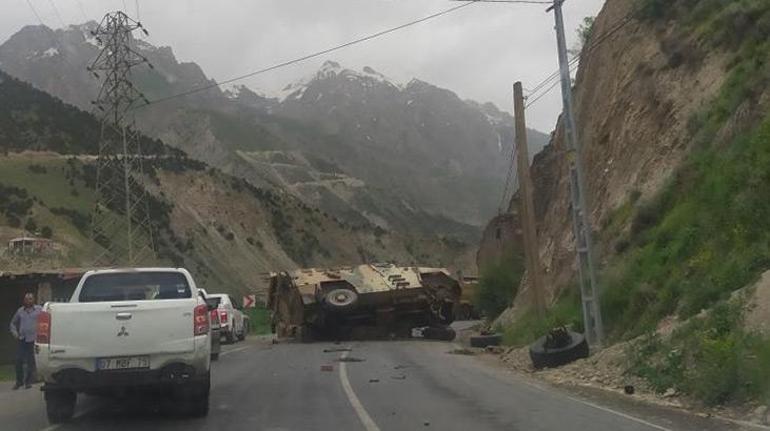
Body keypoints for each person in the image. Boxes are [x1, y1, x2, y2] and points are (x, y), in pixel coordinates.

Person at [9, 292, 41, 390]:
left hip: (33, 339)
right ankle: (19, 381)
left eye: (30, 299)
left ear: (34, 300)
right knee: (18, 360)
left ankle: (28, 382)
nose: (29, 301)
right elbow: (12, 323)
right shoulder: (20, 311)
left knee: (30, 362)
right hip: (22, 339)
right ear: (24, 300)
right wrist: (15, 333)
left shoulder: (39, 310)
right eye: (27, 299)